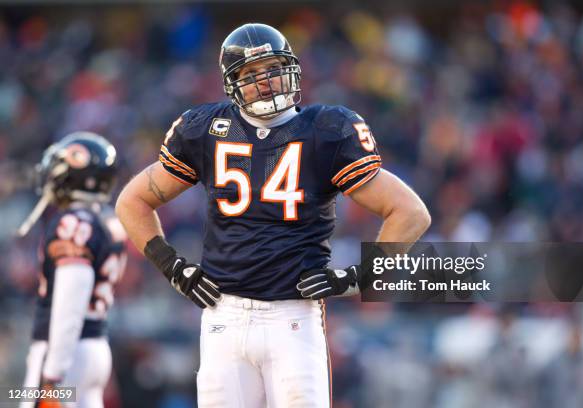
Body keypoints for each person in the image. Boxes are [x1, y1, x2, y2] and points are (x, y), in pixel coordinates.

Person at [115, 23, 430, 407]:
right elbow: (131, 202)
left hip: (292, 318)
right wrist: (172, 267)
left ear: (291, 69)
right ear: (231, 84)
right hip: (222, 317)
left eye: (272, 68)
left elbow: (410, 212)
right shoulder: (206, 129)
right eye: (250, 74)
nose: (264, 82)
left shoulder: (326, 129)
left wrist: (358, 278)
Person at [18, 132, 126, 408]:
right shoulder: (108, 222)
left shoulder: (74, 224)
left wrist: (53, 374)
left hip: (68, 351)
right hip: (95, 345)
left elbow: (70, 300)